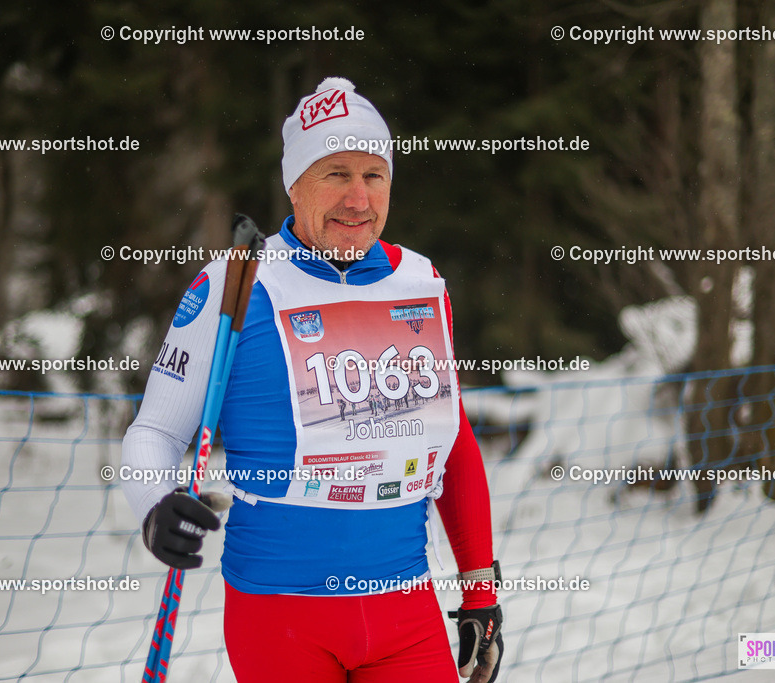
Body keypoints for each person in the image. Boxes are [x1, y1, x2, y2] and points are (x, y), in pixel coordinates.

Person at [122, 77, 503, 683]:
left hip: (406, 612)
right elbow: (155, 432)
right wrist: (154, 505)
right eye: (335, 173)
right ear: (293, 185)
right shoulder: (235, 285)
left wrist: (480, 586)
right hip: (280, 616)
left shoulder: (421, 283)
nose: (357, 198)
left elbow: (451, 438)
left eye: (373, 176)